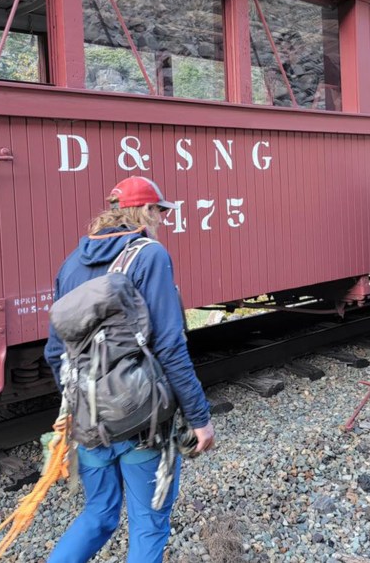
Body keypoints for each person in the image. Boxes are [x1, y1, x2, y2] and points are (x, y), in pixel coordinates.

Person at [44, 176, 215, 563]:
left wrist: (83, 406)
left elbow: (56, 351)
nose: (161, 219)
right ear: (145, 212)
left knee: (98, 515)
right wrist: (199, 417)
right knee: (147, 521)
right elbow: (170, 346)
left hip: (89, 420)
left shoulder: (71, 264)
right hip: (141, 421)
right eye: (159, 211)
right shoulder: (150, 255)